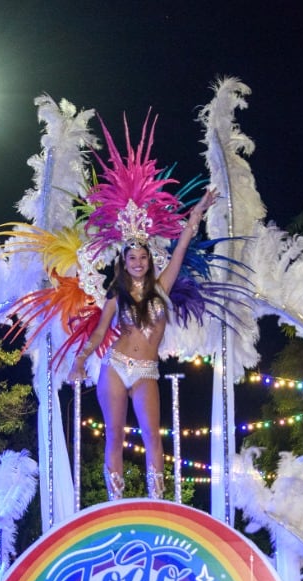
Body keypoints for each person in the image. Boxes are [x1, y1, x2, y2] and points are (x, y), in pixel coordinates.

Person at [69, 188, 217, 500]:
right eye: (132, 258)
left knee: (152, 435)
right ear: (124, 262)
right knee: (114, 434)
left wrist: (196, 214)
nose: (138, 262)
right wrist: (80, 360)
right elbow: (98, 334)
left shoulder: (163, 287)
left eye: (143, 257)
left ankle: (157, 502)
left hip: (147, 370)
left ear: (150, 261)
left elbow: (180, 250)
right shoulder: (115, 295)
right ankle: (116, 502)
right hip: (116, 366)